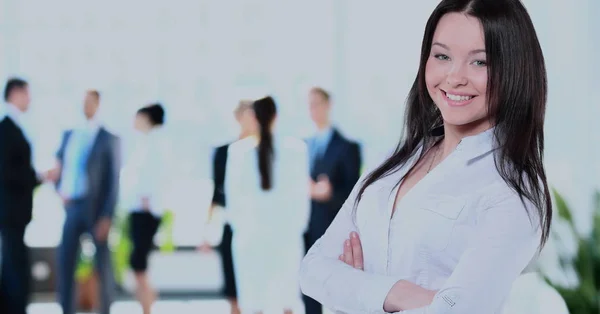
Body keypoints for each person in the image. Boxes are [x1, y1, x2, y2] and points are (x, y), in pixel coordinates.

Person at [299, 0, 552, 313]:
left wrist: (355, 291)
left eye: (480, 62)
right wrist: (405, 293)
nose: (454, 77)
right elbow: (312, 270)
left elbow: (457, 310)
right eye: (442, 56)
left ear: (515, 69)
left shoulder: (511, 190)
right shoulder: (395, 161)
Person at [226, 96, 310, 314]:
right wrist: (297, 231)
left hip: (250, 237)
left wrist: (241, 230)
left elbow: (233, 200)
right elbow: (302, 198)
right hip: (285, 237)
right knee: (287, 299)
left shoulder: (237, 152)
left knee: (254, 300)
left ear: (252, 117)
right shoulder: (297, 149)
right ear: (276, 117)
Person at [54, 90, 121, 314]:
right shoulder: (69, 134)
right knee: (65, 262)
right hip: (72, 205)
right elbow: (59, 168)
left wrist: (107, 216)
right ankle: (66, 309)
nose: (86, 106)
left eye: (90, 102)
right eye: (83, 102)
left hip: (95, 209)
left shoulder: (108, 138)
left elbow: (113, 181)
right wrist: (59, 190)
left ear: (98, 104)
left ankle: (105, 310)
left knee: (102, 265)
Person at [303, 87, 362, 314]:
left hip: (333, 226)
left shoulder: (347, 147)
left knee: (338, 292)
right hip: (306, 227)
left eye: (317, 103)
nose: (313, 110)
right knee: (308, 289)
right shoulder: (303, 146)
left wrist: (328, 194)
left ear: (328, 105)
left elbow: (353, 192)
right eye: (309, 105)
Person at [0, 78, 50, 314]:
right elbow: (8, 172)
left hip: (15, 212)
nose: (30, 99)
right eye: (27, 94)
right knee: (13, 263)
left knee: (14, 261)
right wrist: (37, 177)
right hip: (9, 211)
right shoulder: (6, 128)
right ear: (15, 93)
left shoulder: (16, 127)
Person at [206, 100, 256, 314]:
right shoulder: (223, 152)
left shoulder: (265, 152)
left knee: (256, 285)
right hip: (231, 223)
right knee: (233, 286)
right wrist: (207, 231)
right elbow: (216, 194)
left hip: (257, 225)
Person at [121, 103, 171, 314]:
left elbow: (155, 178)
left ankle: (148, 306)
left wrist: (146, 201)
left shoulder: (155, 143)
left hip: (145, 211)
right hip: (140, 210)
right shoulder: (145, 143)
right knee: (138, 264)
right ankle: (147, 304)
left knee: (139, 264)